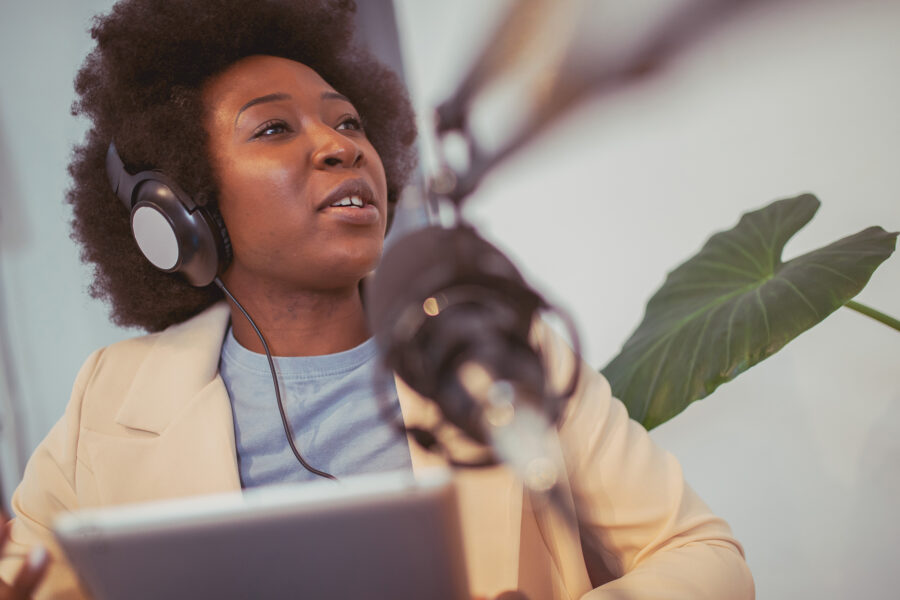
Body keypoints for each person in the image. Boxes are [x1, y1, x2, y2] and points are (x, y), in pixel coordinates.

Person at [0, 0, 755, 598]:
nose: (340, 146)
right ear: (179, 213)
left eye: (349, 121)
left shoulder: (491, 347)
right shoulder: (108, 396)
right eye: (272, 128)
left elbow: (704, 558)